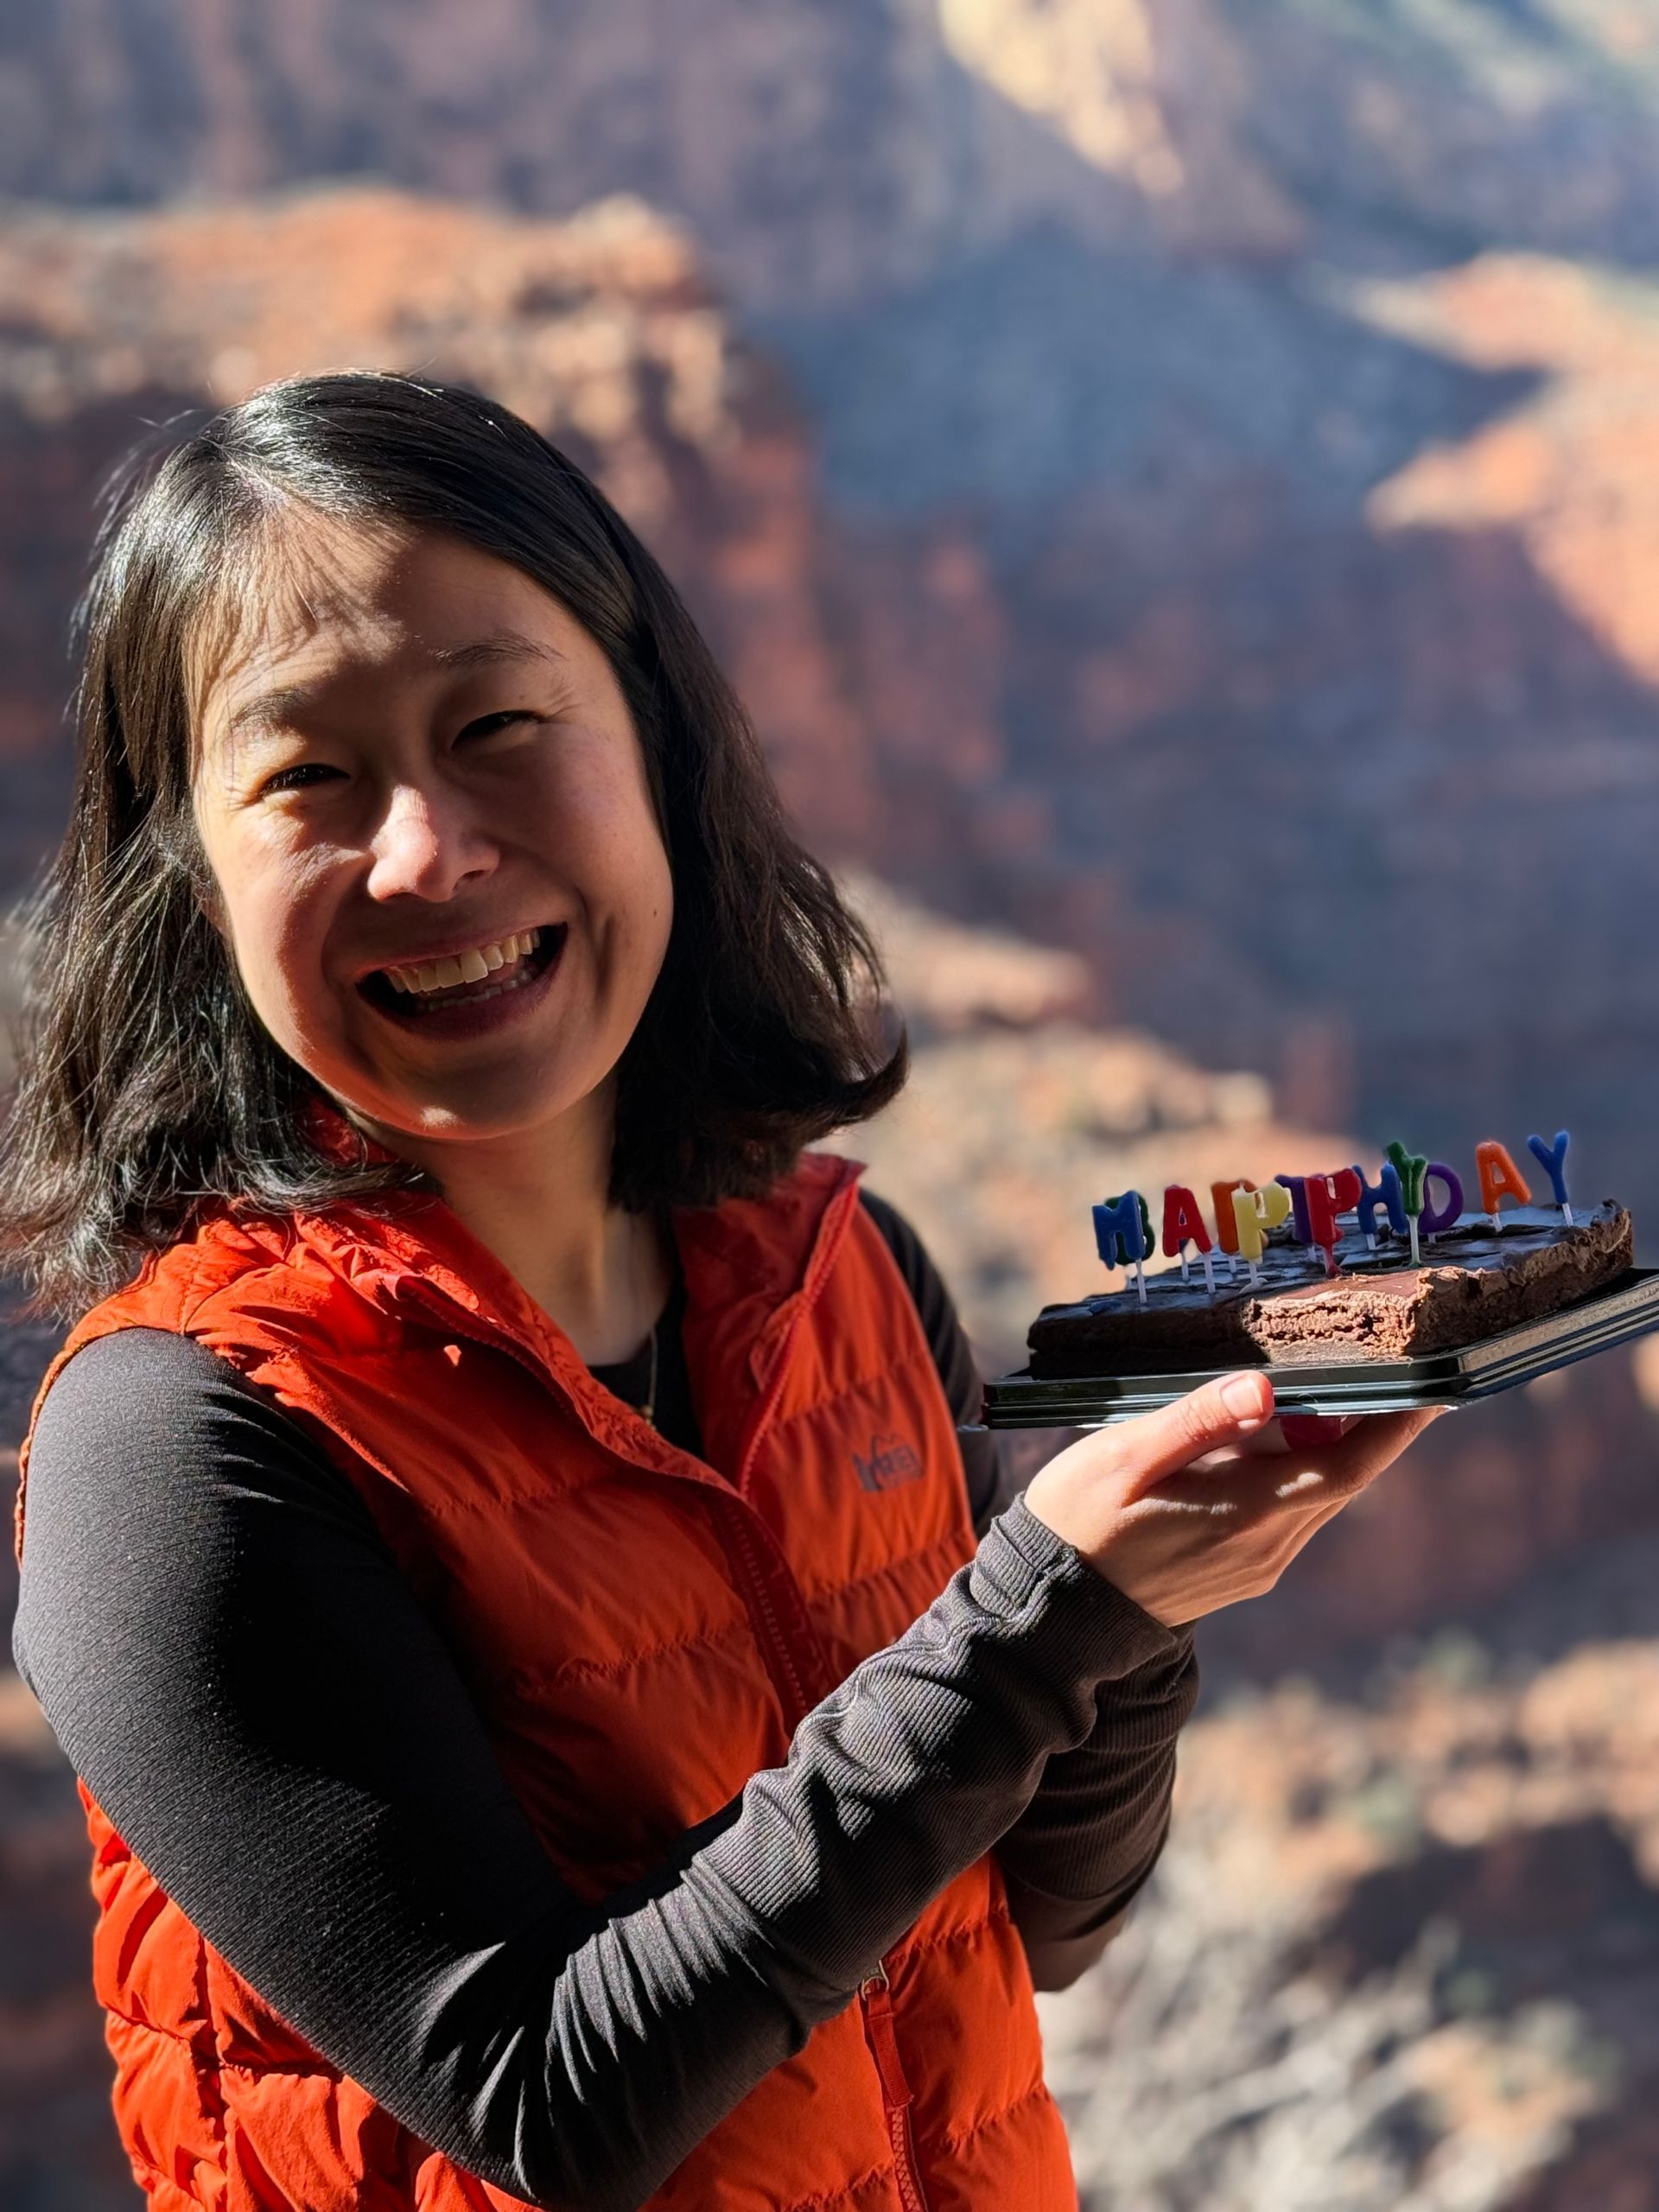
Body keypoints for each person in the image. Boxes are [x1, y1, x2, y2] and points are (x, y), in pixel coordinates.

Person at [2, 371, 1433, 2212]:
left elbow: (1035, 1920)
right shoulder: (180, 1444)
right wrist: (1038, 1614)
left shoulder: (838, 1273)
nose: (428, 851)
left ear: (658, 744)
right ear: (191, 877)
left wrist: (1141, 1605)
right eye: (308, 778)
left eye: (501, 723)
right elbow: (538, 2101)